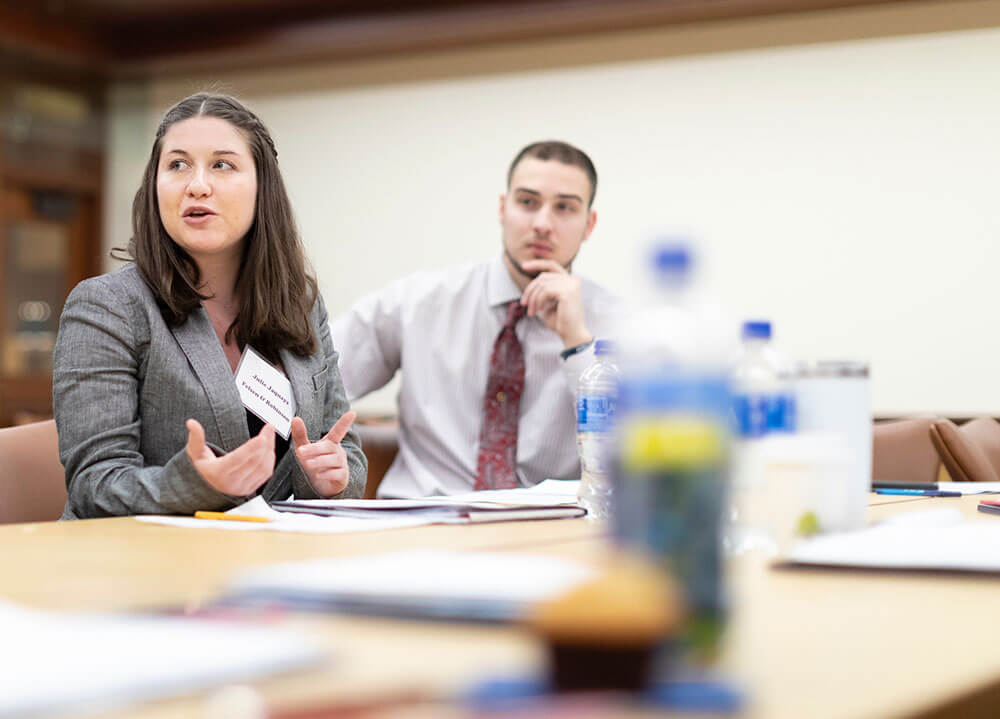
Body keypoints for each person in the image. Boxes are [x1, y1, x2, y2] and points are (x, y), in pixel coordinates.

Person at [53, 92, 366, 520]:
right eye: (177, 165)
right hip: (139, 565)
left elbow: (343, 447)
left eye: (222, 164)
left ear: (263, 187)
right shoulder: (108, 306)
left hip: (269, 561)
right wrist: (197, 486)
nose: (197, 185)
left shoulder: (301, 304)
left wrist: (331, 478)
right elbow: (95, 485)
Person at [332, 140, 617, 497]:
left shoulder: (617, 323)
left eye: (565, 208)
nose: (543, 223)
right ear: (503, 208)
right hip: (425, 527)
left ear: (588, 224)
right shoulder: (418, 302)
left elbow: (629, 457)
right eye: (527, 202)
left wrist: (578, 344)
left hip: (552, 530)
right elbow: (311, 381)